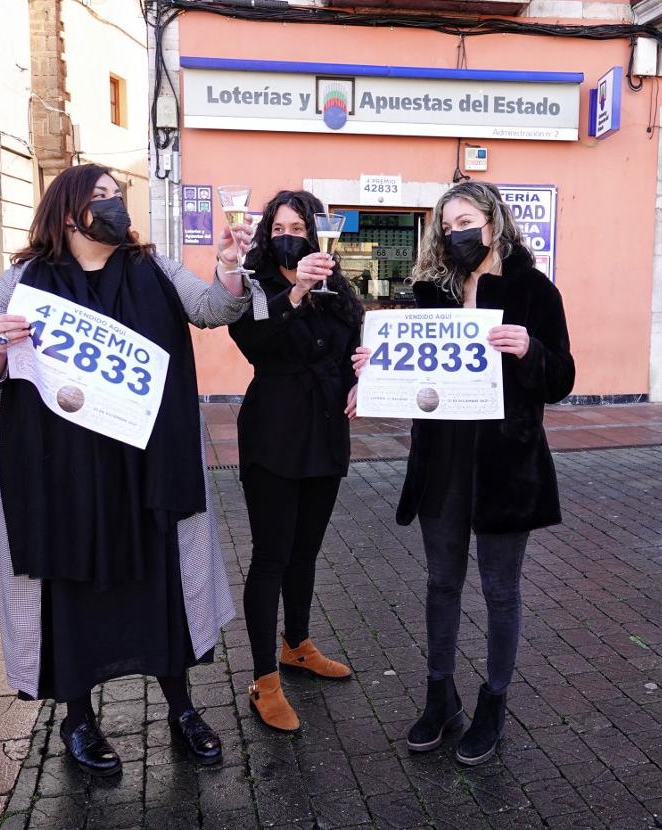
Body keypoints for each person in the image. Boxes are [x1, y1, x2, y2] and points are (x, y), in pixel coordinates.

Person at [0, 164, 267, 777]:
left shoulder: (153, 268)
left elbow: (215, 309)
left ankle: (182, 709)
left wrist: (227, 266)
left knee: (160, 585)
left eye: (120, 197)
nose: (117, 207)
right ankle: (78, 719)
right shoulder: (23, 281)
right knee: (68, 594)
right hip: (57, 478)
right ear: (69, 213)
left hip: (145, 470)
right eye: (102, 199)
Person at [355, 181, 574, 765]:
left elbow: (561, 378)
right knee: (440, 583)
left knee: (502, 590)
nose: (455, 231)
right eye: (446, 223)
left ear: (493, 222)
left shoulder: (534, 290)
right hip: (442, 459)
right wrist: (375, 368)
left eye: (465, 219)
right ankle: (439, 696)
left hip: (506, 463)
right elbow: (411, 368)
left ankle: (493, 702)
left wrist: (530, 350)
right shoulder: (433, 291)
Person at [228, 190, 363, 733]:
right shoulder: (254, 285)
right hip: (273, 436)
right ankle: (264, 679)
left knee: (306, 552)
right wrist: (298, 289)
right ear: (267, 232)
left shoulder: (339, 289)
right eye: (280, 225)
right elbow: (256, 344)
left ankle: (297, 645)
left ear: (314, 233)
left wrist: (362, 374)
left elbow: (347, 348)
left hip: (326, 433)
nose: (291, 235)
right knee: (271, 557)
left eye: (300, 227)